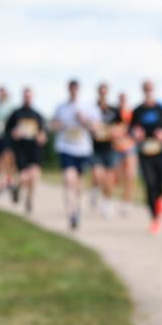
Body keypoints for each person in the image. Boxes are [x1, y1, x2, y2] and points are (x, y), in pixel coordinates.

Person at [50, 79, 100, 230]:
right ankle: (70, 212)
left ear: (79, 90)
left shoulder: (88, 107)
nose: (73, 91)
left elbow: (96, 129)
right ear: (68, 89)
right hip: (66, 148)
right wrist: (58, 125)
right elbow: (53, 125)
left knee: (78, 183)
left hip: (83, 149)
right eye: (71, 89)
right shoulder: (61, 107)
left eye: (76, 89)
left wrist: (84, 120)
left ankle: (76, 208)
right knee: (68, 178)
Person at [130, 80, 162, 234]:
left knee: (160, 183)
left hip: (160, 152)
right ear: (142, 91)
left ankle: (161, 200)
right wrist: (135, 133)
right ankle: (154, 218)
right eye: (146, 89)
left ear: (154, 90)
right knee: (149, 184)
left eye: (150, 89)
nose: (148, 92)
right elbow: (130, 128)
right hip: (145, 152)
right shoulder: (137, 110)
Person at [5, 87, 47, 215]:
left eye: (30, 96)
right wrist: (14, 133)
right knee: (23, 177)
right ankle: (16, 188)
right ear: (23, 97)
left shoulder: (37, 115)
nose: (28, 99)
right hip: (21, 149)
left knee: (34, 175)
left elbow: (43, 133)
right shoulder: (16, 114)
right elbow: (8, 130)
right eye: (26, 96)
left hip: (34, 149)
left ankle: (29, 199)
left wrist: (42, 137)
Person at [89, 82, 122, 218]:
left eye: (105, 92)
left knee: (109, 178)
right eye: (101, 92)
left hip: (110, 147)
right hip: (95, 147)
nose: (103, 94)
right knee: (98, 175)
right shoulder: (91, 109)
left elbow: (122, 126)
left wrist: (116, 132)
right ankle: (96, 189)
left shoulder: (114, 110)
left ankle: (107, 203)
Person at [113, 91, 137, 214]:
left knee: (129, 176)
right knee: (116, 177)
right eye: (120, 99)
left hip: (129, 147)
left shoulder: (130, 114)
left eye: (124, 99)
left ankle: (126, 202)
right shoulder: (114, 113)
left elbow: (135, 130)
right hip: (116, 148)